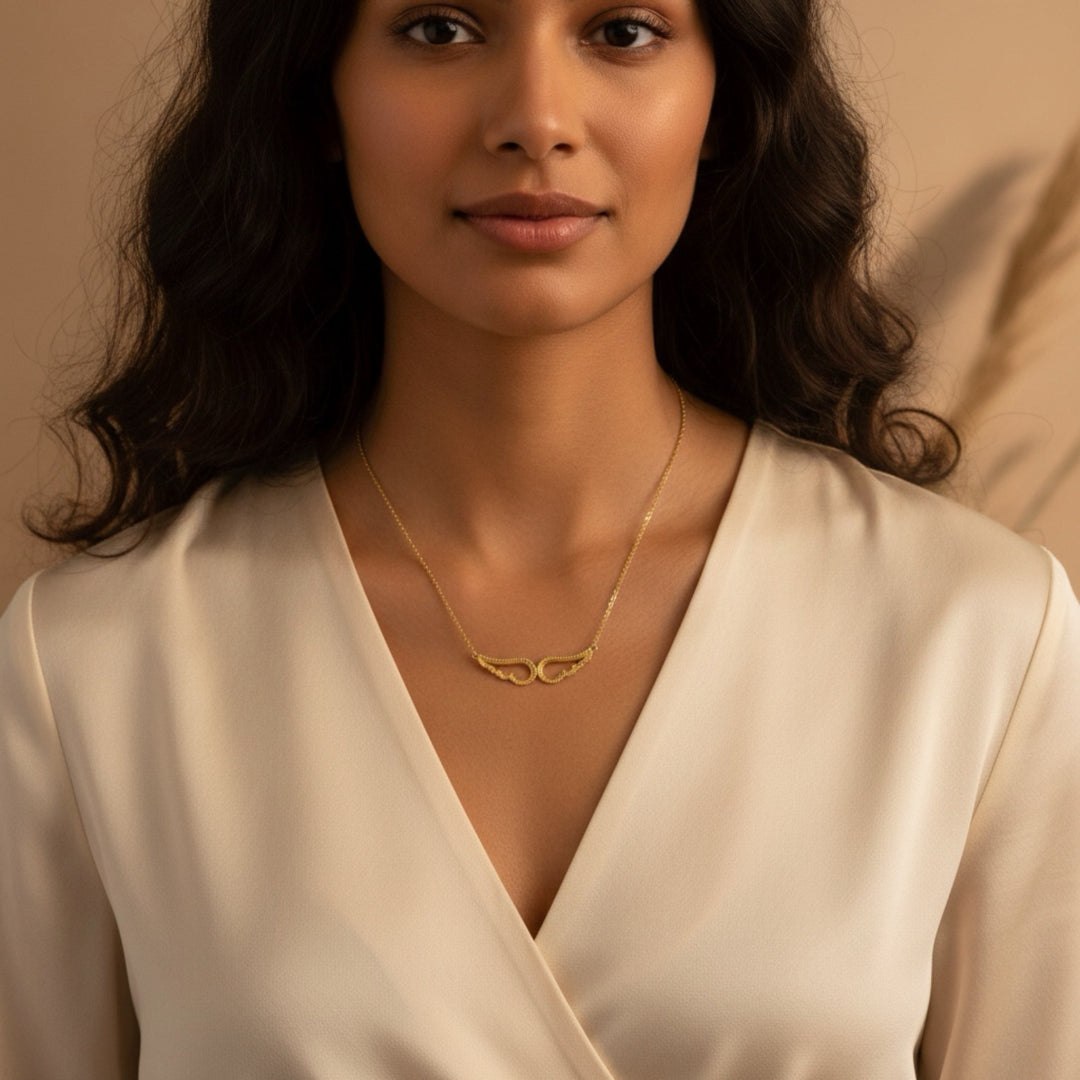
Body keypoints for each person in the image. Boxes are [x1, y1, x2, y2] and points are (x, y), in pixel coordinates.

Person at [1, 0, 1077, 1074]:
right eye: (437, 29)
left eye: (622, 31)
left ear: (725, 101)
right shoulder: (93, 661)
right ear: (317, 93)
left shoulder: (977, 631)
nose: (535, 119)